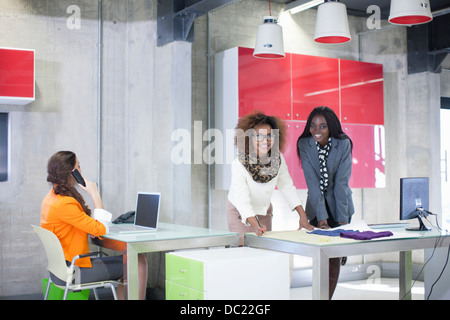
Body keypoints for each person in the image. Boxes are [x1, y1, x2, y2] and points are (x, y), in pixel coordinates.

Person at [41, 151, 148, 300]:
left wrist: (89, 227)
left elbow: (76, 224)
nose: (81, 169)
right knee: (137, 261)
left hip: (60, 271)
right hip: (74, 272)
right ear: (71, 172)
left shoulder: (51, 199)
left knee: (129, 262)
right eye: (79, 166)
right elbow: (102, 229)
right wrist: (95, 194)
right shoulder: (65, 203)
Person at [227, 112, 313, 245]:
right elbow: (242, 201)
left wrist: (303, 216)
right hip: (240, 213)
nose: (265, 140)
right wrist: (256, 225)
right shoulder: (239, 163)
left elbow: (287, 186)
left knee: (263, 250)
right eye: (258, 136)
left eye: (269, 136)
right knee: (243, 250)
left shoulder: (277, 159)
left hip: (264, 211)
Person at [297, 106, 355, 299]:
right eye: (313, 126)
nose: (317, 130)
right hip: (316, 206)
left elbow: (341, 183)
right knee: (321, 256)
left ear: (331, 127)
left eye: (322, 126)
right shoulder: (304, 144)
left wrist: (342, 219)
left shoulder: (343, 143)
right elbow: (312, 184)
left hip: (339, 204)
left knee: (334, 257)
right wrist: (321, 218)